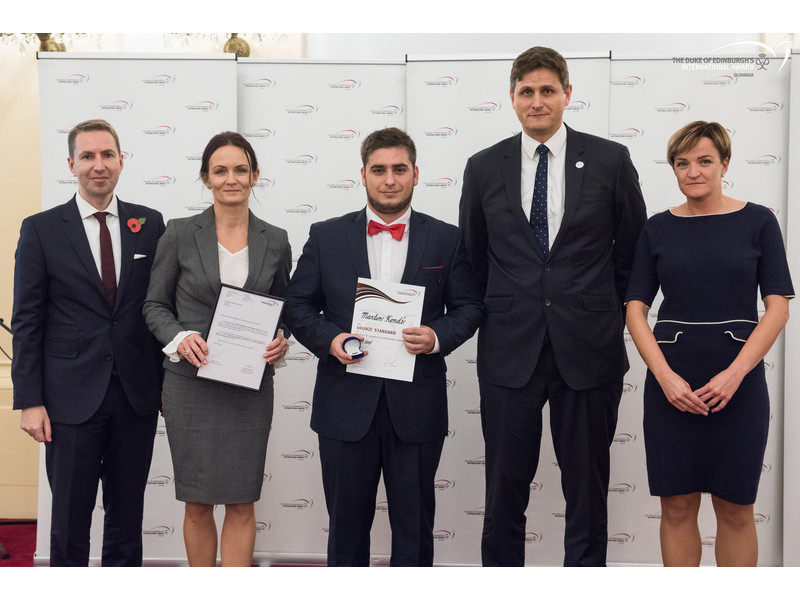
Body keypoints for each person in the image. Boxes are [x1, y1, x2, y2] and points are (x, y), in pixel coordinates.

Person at [458, 46, 647, 566]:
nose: (537, 101)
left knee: (587, 493)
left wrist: (601, 312)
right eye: (527, 91)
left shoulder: (610, 160)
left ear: (568, 94)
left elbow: (633, 254)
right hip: (509, 352)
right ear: (512, 98)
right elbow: (473, 258)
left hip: (588, 351)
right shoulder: (483, 167)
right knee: (503, 493)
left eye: (547, 90)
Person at [284, 127, 484, 566]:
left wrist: (436, 337)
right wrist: (331, 339)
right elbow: (297, 305)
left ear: (416, 174)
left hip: (416, 407)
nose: (389, 180)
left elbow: (469, 307)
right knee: (346, 531)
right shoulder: (326, 235)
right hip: (344, 406)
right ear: (363, 175)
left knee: (414, 532)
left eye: (399, 169)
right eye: (379, 170)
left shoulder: (447, 239)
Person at [625, 121, 793, 567]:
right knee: (677, 506)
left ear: (725, 164)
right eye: (682, 163)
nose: (693, 172)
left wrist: (734, 375)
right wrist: (665, 378)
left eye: (704, 161)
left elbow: (778, 308)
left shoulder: (758, 221)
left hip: (739, 385)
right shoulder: (657, 228)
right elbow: (635, 310)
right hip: (671, 387)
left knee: (735, 509)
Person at [12, 119, 166, 566]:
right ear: (71, 164)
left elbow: (162, 303)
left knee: (127, 517)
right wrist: (30, 400)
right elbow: (27, 320)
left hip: (135, 395)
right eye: (88, 156)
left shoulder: (149, 224)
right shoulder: (41, 229)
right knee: (69, 518)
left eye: (107, 155)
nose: (99, 165)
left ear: (121, 161)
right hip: (68, 398)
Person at [143, 131, 291, 567]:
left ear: (255, 176)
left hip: (249, 387)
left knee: (243, 502)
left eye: (241, 170)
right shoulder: (179, 233)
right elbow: (154, 304)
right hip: (190, 386)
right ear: (206, 178)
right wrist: (179, 337)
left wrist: (281, 338)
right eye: (220, 171)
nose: (231, 179)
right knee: (198, 503)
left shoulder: (276, 239)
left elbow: (285, 307)